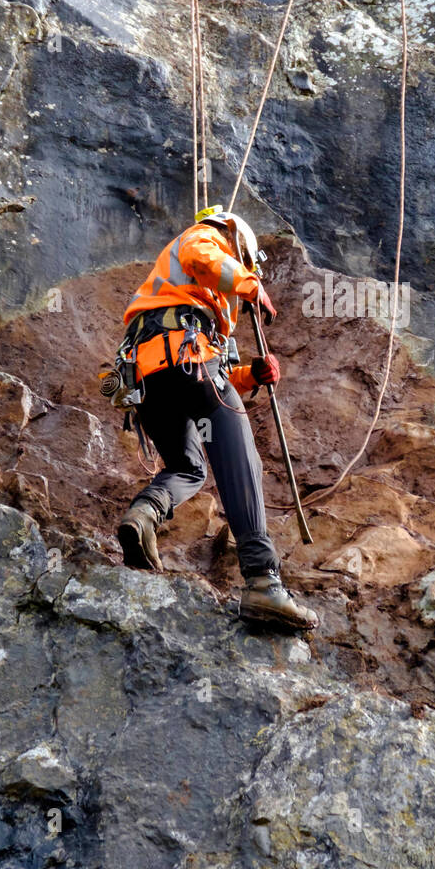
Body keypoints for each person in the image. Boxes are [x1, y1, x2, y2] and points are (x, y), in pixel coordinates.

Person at [114, 205, 318, 632]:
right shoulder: (204, 238)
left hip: (151, 379)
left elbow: (216, 378)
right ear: (237, 240)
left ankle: (144, 515)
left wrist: (251, 376)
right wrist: (249, 283)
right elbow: (201, 258)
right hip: (185, 359)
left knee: (187, 467)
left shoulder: (196, 300)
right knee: (240, 456)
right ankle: (263, 579)